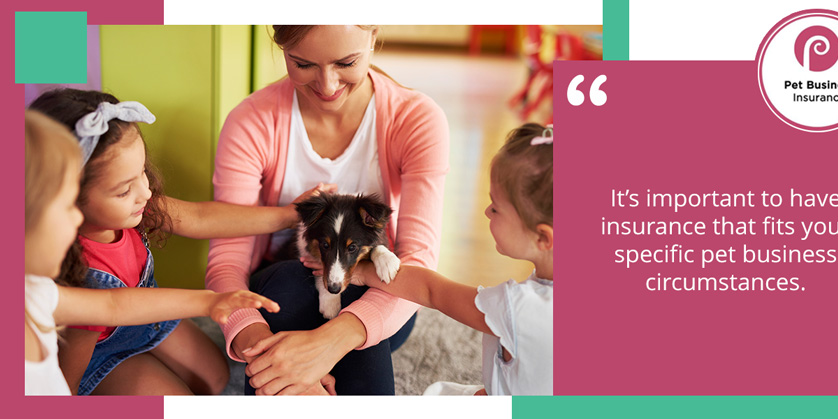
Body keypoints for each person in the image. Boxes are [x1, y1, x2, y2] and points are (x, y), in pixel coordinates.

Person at [207, 25, 450, 395]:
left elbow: (418, 260)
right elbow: (227, 263)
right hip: (281, 284)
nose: (327, 85)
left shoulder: (416, 119)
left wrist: (331, 342)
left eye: (346, 62)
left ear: (373, 35)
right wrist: (255, 341)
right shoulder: (251, 121)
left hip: (382, 294)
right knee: (292, 289)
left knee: (353, 288)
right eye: (302, 63)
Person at [28, 89, 309, 396]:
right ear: (70, 196)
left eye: (143, 174)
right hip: (100, 352)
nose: (146, 193)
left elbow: (202, 218)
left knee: (215, 378)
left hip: (146, 315)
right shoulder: (71, 270)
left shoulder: (137, 209)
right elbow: (77, 358)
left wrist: (286, 215)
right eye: (123, 190)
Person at [343, 123, 553, 395]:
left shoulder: (516, 307)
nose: (487, 212)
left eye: (496, 207)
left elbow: (431, 291)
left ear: (543, 238)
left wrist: (363, 272)